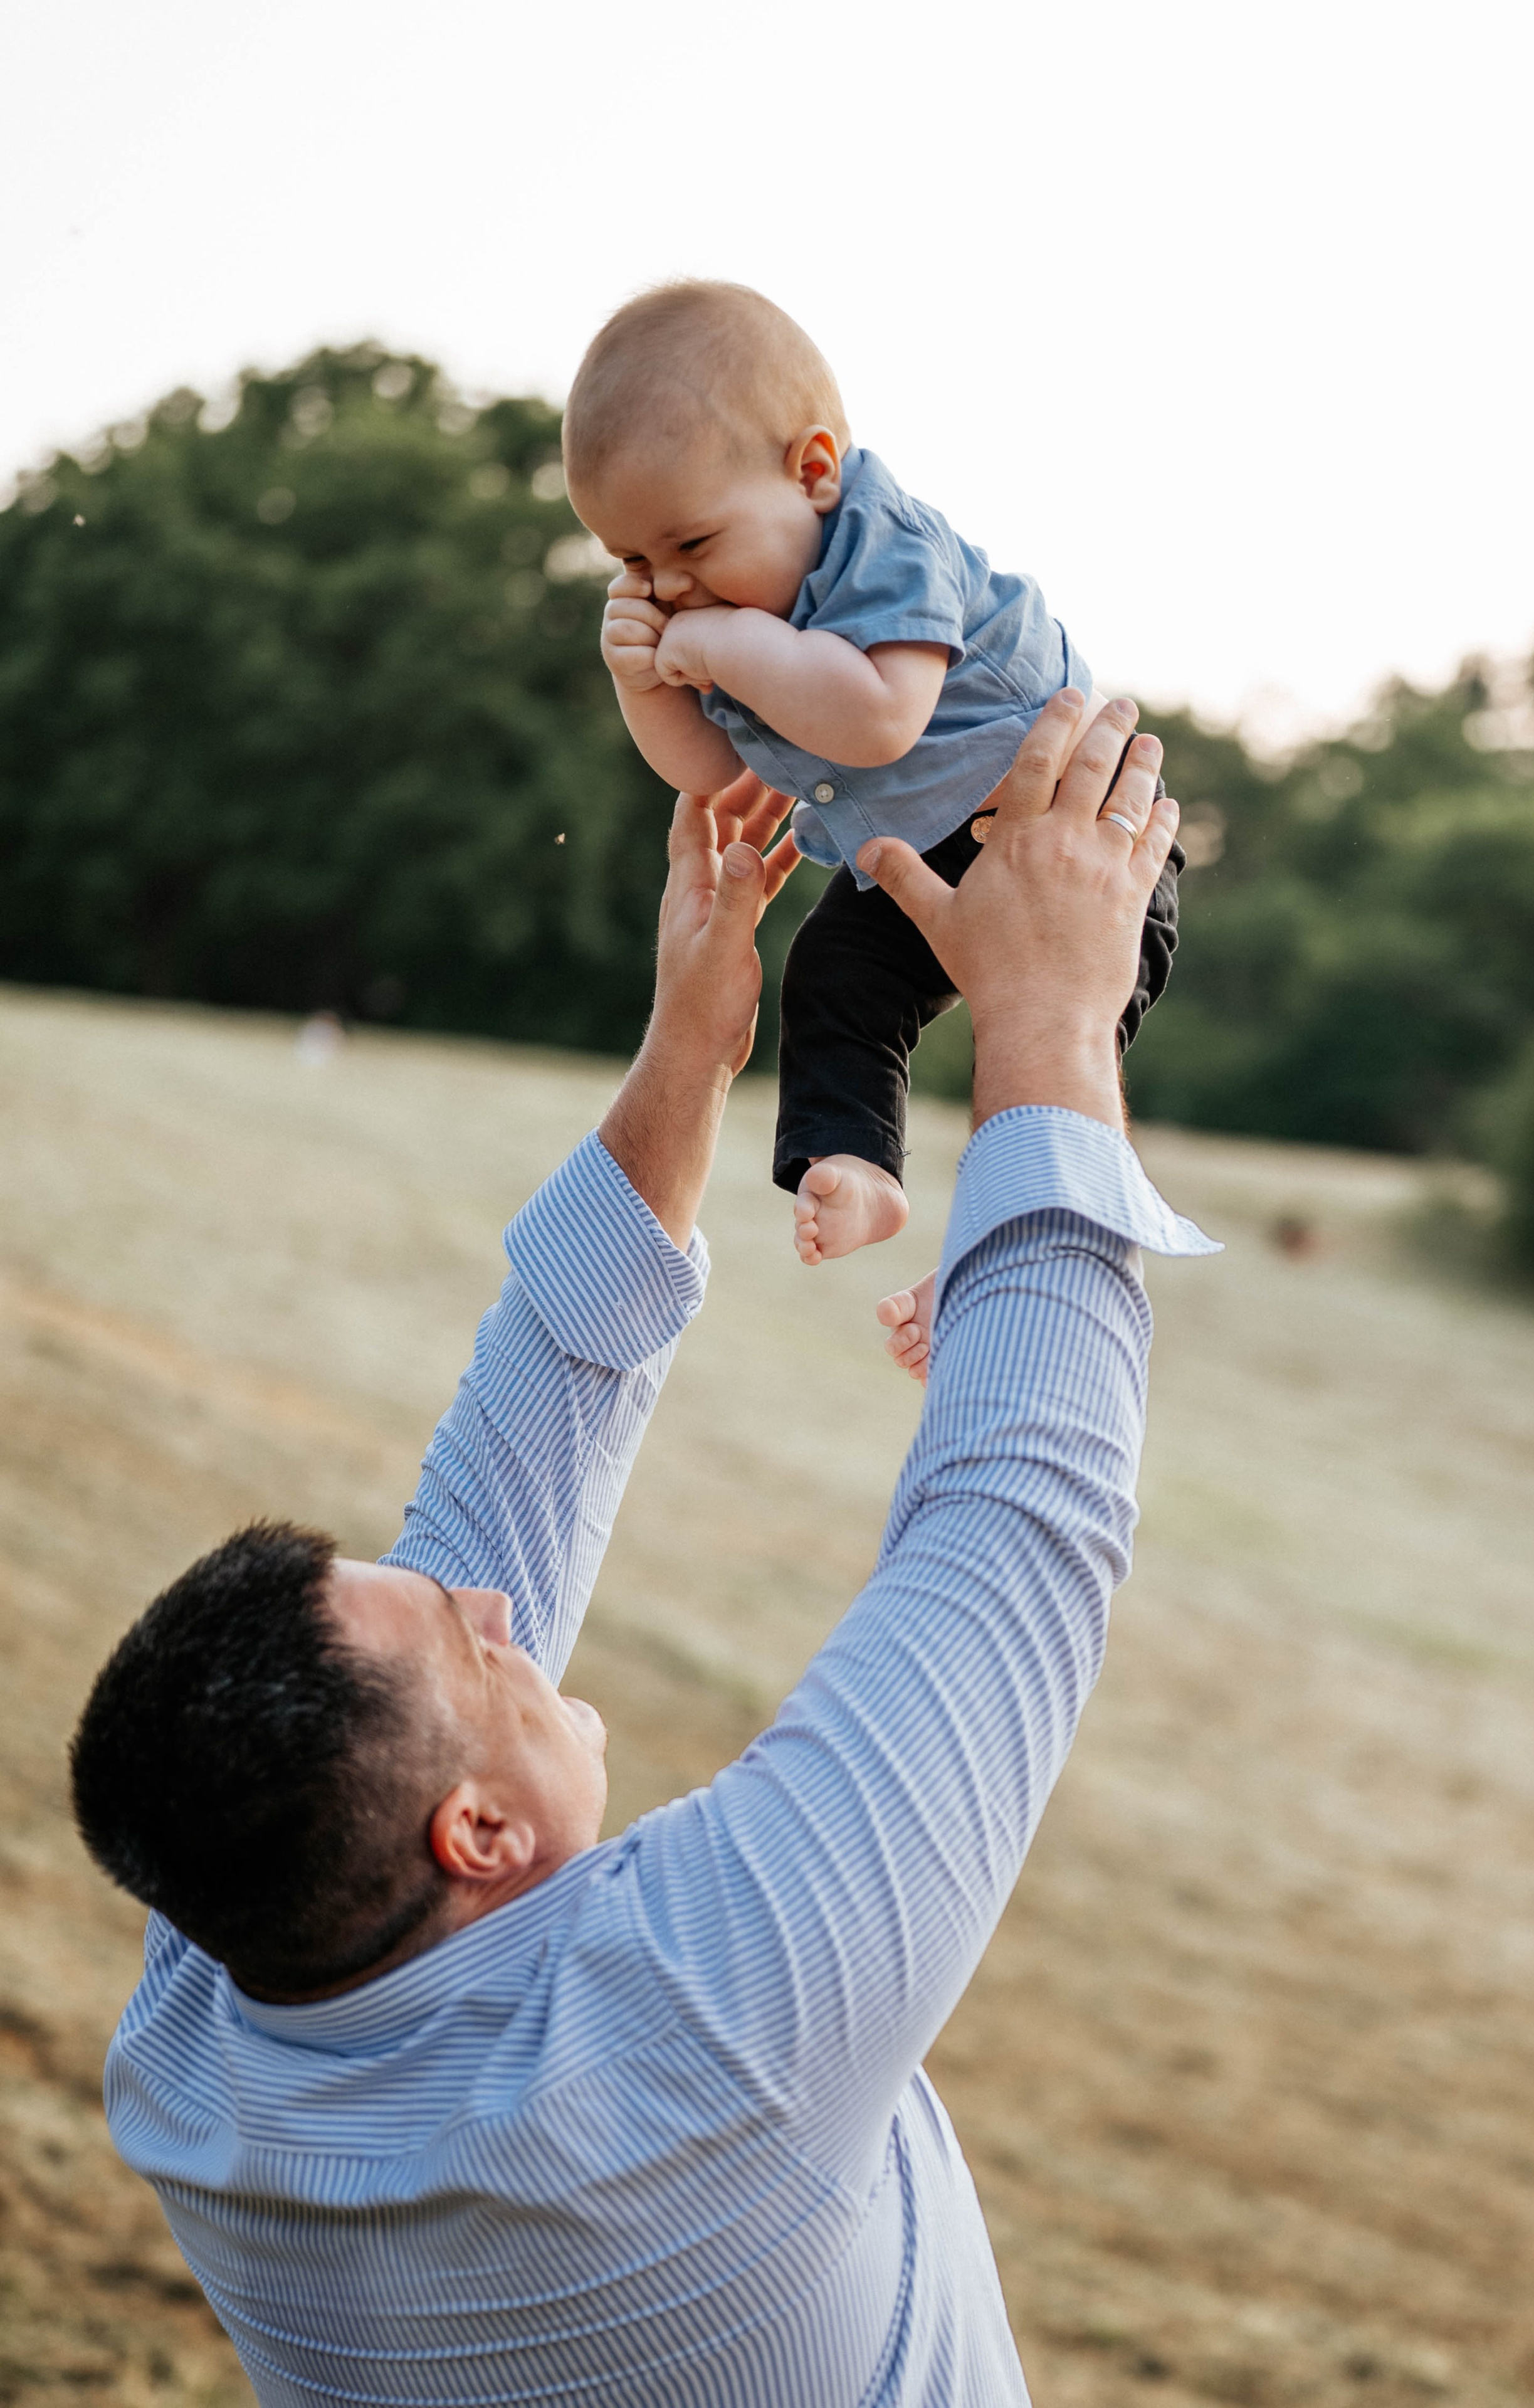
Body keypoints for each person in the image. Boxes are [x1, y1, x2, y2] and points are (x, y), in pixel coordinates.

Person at [70, 693, 1215, 2408]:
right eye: (463, 1639)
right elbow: (1016, 1532)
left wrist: (692, 1045)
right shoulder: (704, 2027)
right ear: (476, 1832)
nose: (481, 1591)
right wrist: (1048, 1020)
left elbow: (522, 1445)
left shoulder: (209, 2026)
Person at [564, 281, 1184, 1266]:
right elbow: (710, 769)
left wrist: (722, 642)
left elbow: (879, 718)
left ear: (812, 471)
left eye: (690, 543)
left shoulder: (882, 542)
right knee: (834, 978)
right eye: (631, 558)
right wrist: (642, 682)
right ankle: (862, 1167)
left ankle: (1026, 1247)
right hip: (915, 860)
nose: (669, 585)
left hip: (1075, 847)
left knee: (1058, 1048)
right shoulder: (741, 616)